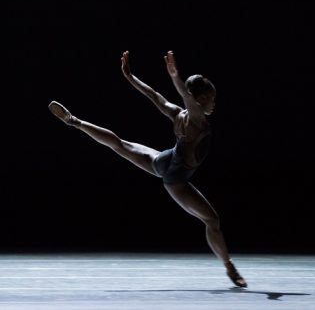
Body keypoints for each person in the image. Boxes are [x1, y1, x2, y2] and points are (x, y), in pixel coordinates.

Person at [48, 50, 247, 288]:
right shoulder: (197, 118)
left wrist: (130, 77)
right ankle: (229, 267)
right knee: (212, 220)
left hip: (165, 160)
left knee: (120, 145)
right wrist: (175, 77)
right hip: (176, 178)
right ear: (201, 99)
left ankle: (76, 122)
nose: (214, 104)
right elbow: (186, 97)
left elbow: (153, 96)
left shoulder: (178, 114)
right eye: (211, 99)